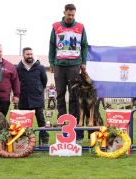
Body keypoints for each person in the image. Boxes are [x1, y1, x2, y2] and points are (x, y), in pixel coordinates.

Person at [49, 3, 88, 142]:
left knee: (74, 97)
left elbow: (84, 46)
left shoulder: (80, 27)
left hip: (74, 65)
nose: (71, 17)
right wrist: (51, 62)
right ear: (64, 13)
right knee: (59, 95)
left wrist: (84, 62)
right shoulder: (55, 26)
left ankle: (75, 130)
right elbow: (52, 45)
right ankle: (62, 126)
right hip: (59, 65)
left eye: (73, 15)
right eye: (69, 14)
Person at [17, 47, 49, 145]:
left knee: (41, 121)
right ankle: (24, 142)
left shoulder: (40, 67)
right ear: (23, 55)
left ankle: (44, 141)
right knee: (23, 123)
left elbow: (44, 81)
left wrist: (38, 89)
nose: (30, 56)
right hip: (23, 100)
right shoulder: (18, 68)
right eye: (27, 54)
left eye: (31, 54)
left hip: (37, 99)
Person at [0, 43, 20, 117]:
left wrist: (16, 95)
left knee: (1, 121)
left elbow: (15, 81)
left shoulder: (10, 66)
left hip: (4, 98)